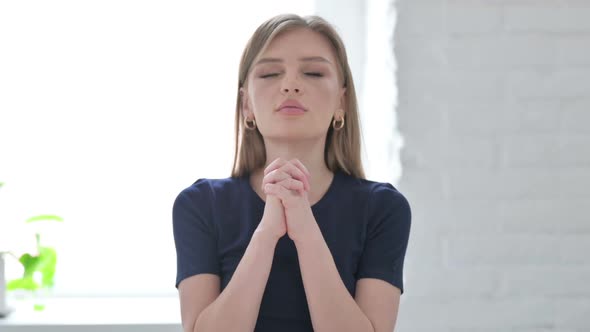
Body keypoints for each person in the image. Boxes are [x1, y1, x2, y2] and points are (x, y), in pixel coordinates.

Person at [172, 13, 411, 332]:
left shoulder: (383, 209)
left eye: (313, 72)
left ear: (341, 101)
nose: (290, 85)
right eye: (270, 74)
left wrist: (305, 229)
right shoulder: (200, 204)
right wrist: (266, 234)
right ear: (247, 105)